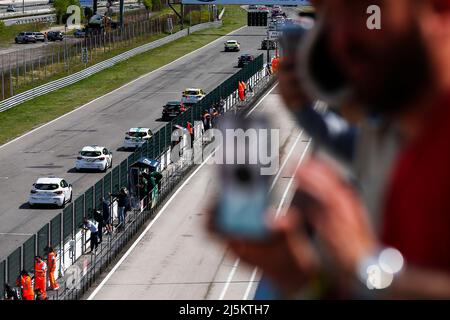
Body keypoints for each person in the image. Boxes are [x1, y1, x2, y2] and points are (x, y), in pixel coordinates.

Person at [218, 0, 450, 299]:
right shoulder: (407, 149)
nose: (340, 39)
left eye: (366, 10)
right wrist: (298, 275)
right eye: (329, 15)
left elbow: (379, 278)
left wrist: (367, 266)